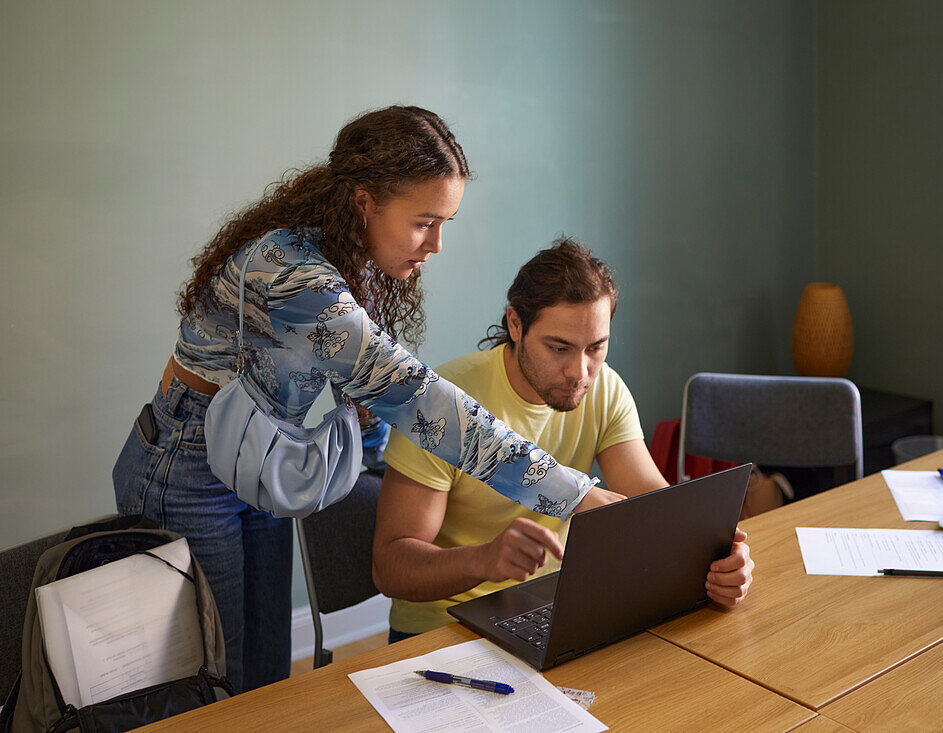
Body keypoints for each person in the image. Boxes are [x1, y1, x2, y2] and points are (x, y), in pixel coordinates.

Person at [112, 107, 606, 692]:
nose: (438, 243)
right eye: (425, 221)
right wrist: (576, 494)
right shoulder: (295, 276)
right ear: (365, 200)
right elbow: (416, 399)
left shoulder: (352, 257)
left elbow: (359, 391)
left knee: (265, 670)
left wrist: (375, 462)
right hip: (187, 464)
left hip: (256, 451)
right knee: (210, 680)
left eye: (445, 221)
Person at [373, 237, 754, 641]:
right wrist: (483, 561)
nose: (580, 372)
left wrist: (720, 560)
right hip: (443, 629)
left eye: (596, 347)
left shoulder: (604, 389)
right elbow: (390, 568)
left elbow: (655, 508)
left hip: (551, 610)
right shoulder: (440, 404)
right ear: (515, 325)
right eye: (559, 348)